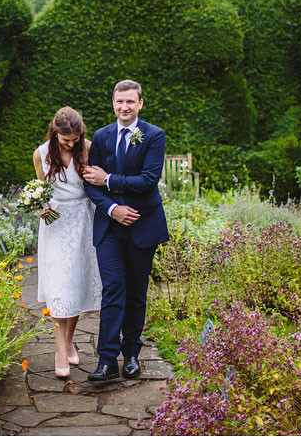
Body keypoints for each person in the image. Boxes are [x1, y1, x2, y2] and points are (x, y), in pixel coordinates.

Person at [81, 79, 169, 382]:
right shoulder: (101, 136)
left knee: (136, 293)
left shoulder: (154, 136)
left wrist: (108, 180)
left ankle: (131, 355)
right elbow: (89, 182)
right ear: (113, 103)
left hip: (143, 224)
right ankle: (106, 360)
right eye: (120, 102)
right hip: (109, 227)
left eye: (130, 102)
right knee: (114, 290)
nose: (124, 107)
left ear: (140, 104)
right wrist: (112, 208)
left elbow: (148, 180)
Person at [32, 106, 103, 378]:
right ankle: (60, 349)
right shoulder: (41, 154)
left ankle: (69, 340)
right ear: (55, 134)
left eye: (75, 139)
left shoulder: (88, 148)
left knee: (76, 285)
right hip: (55, 223)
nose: (71, 144)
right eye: (65, 141)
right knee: (59, 287)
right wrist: (40, 206)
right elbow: (40, 191)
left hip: (84, 221)